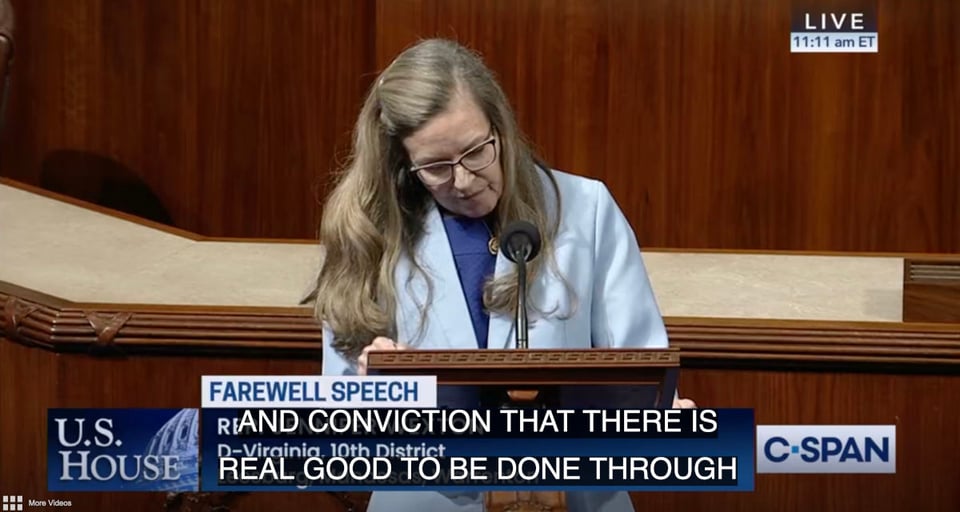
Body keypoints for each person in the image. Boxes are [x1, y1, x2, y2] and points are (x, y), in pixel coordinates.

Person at [308, 38, 694, 512]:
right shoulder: (368, 233)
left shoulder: (585, 209)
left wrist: (662, 418)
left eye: (476, 151)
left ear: (501, 128)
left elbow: (641, 374)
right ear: (403, 164)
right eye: (436, 167)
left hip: (575, 494)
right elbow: (336, 435)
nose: (464, 181)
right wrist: (377, 399)